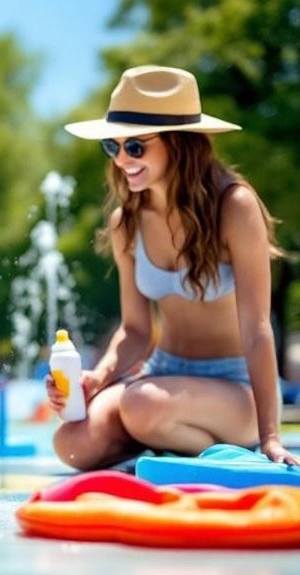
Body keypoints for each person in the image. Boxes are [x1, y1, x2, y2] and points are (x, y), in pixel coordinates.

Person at [49, 65, 300, 469]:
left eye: (135, 147)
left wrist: (272, 437)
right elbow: (135, 331)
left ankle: (208, 444)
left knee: (142, 405)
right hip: (162, 375)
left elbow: (256, 330)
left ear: (179, 142)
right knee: (72, 444)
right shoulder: (126, 222)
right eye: (113, 147)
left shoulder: (234, 207)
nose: (122, 161)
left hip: (235, 386)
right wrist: (99, 376)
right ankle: (173, 443)